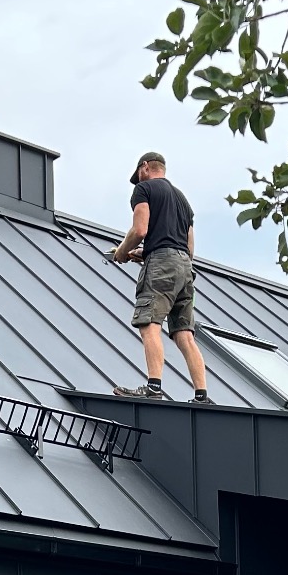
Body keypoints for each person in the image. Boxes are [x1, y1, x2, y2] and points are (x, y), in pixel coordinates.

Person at [108, 152, 209, 402]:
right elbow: (189, 248)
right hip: (185, 268)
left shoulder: (144, 190)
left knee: (149, 323)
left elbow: (140, 229)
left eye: (139, 175)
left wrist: (121, 252)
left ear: (145, 167)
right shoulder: (183, 200)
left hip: (162, 265)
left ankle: (153, 388)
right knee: (184, 333)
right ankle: (201, 395)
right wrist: (147, 253)